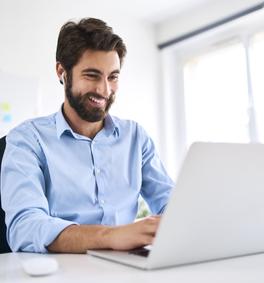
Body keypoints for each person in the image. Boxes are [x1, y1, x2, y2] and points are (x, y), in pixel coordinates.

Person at [0, 18, 173, 253]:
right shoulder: (27, 139)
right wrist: (112, 236)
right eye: (92, 75)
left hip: (126, 272)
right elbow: (25, 228)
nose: (104, 90)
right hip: (59, 278)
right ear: (62, 71)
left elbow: (172, 206)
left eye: (113, 76)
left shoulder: (135, 137)